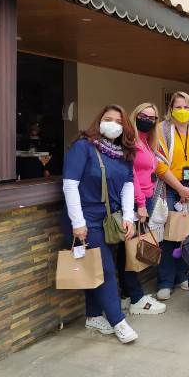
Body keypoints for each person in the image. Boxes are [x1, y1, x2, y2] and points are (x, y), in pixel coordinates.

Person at [62, 104, 138, 343]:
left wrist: (128, 217)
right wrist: (77, 222)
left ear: (124, 127)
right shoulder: (83, 147)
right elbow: (70, 184)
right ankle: (118, 321)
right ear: (99, 120)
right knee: (105, 270)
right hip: (86, 220)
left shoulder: (123, 154)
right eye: (108, 118)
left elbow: (128, 186)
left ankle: (93, 315)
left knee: (94, 266)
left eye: (118, 121)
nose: (113, 124)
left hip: (110, 221)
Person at [153, 91, 189, 301]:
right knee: (169, 236)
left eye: (186, 107)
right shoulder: (162, 129)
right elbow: (158, 162)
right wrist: (179, 188)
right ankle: (165, 281)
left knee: (186, 234)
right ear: (171, 109)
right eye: (178, 107)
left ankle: (181, 275)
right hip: (168, 188)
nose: (182, 111)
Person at [116, 103, 166, 315]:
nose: (147, 119)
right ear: (134, 116)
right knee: (129, 251)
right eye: (143, 116)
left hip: (147, 198)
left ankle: (127, 295)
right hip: (136, 202)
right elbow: (132, 175)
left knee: (128, 250)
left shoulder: (147, 141)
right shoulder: (131, 142)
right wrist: (141, 205)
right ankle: (137, 298)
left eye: (152, 117)